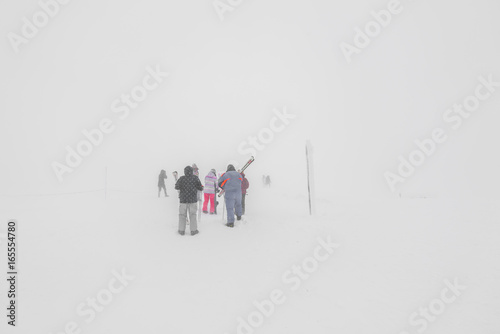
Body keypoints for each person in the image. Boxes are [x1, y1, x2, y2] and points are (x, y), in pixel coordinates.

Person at [175, 166, 203, 236]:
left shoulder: (181, 178)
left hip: (183, 200)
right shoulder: (195, 178)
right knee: (193, 215)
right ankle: (193, 230)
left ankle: (181, 230)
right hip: (192, 200)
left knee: (182, 215)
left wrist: (182, 187)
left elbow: (176, 187)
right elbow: (200, 187)